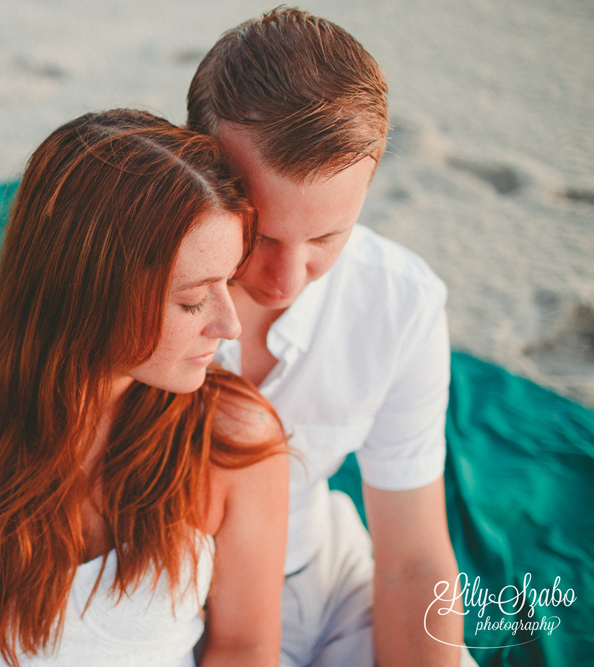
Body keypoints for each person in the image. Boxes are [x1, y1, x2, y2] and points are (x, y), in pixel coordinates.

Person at [0, 109, 290, 667]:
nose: (229, 325)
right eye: (193, 300)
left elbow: (243, 648)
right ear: (90, 293)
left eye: (229, 282)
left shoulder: (234, 435)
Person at [186, 8, 475, 667]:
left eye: (324, 239)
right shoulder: (101, 283)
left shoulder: (401, 304)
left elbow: (410, 555)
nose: (287, 280)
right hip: (154, 602)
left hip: (322, 580)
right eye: (259, 233)